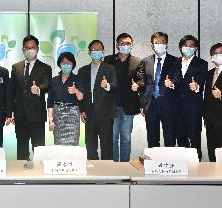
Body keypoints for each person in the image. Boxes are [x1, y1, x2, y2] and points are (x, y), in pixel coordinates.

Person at [104, 33, 144, 162]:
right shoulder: (108, 60)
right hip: (112, 105)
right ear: (117, 45)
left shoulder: (137, 61)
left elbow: (142, 80)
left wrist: (137, 85)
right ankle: (115, 166)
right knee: (113, 137)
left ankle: (126, 166)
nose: (125, 46)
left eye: (128, 43)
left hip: (128, 105)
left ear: (132, 45)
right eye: (122, 43)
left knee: (126, 138)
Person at [10, 35, 52, 161]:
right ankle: (21, 176)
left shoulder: (45, 68)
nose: (30, 50)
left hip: (36, 115)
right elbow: (13, 90)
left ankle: (39, 175)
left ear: (38, 49)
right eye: (27, 47)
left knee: (38, 150)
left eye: (32, 47)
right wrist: (11, 112)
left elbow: (47, 84)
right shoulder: (16, 67)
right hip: (20, 115)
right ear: (23, 49)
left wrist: (39, 89)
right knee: (21, 150)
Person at [77, 40, 117, 160]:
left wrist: (107, 85)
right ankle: (93, 173)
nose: (96, 52)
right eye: (93, 50)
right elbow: (80, 93)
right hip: (89, 114)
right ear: (89, 52)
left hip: (106, 114)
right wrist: (82, 110)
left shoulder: (110, 68)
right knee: (90, 145)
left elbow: (116, 86)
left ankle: (107, 174)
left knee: (107, 146)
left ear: (103, 52)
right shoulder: (82, 70)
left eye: (99, 50)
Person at [141, 32, 180, 148]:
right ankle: (154, 164)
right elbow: (143, 84)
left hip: (169, 104)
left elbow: (179, 78)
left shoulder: (175, 61)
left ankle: (169, 163)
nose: (159, 45)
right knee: (152, 138)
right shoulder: (145, 61)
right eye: (156, 43)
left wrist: (172, 83)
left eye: (162, 42)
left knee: (170, 137)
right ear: (152, 45)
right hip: (150, 104)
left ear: (167, 44)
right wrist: (142, 104)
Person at [174, 35, 208, 160]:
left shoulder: (202, 63)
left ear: (196, 48)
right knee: (181, 140)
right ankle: (184, 166)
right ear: (181, 47)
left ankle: (196, 167)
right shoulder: (176, 62)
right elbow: (174, 80)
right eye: (186, 45)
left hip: (193, 108)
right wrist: (171, 85)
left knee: (195, 140)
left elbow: (201, 82)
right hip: (177, 108)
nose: (188, 48)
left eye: (191, 46)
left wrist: (197, 87)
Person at [47, 52, 84, 146]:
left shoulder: (77, 79)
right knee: (59, 142)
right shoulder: (54, 80)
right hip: (57, 113)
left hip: (72, 113)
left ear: (73, 64)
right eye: (63, 62)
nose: (66, 65)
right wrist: (50, 119)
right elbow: (50, 101)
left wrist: (76, 91)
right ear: (60, 64)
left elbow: (81, 98)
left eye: (69, 62)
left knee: (72, 141)